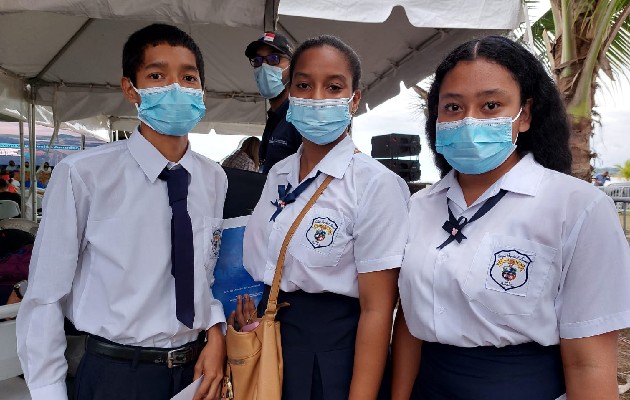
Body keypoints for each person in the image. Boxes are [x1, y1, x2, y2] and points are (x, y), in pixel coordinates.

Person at [391, 35, 630, 400]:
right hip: (430, 387)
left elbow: (590, 364)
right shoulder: (420, 206)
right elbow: (410, 323)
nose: (470, 121)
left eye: (490, 105)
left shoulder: (578, 207)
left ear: (526, 115)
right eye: (453, 108)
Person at [17, 23, 227, 400]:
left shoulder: (213, 179)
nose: (176, 88)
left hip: (195, 371)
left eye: (189, 77)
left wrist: (215, 332)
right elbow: (46, 293)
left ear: (202, 91)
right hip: (117, 374)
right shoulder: (83, 175)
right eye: (157, 75)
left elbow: (202, 277)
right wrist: (48, 390)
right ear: (131, 88)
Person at [242, 35, 410, 400]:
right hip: (272, 339)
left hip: (335, 355)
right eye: (304, 85)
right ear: (290, 93)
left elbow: (379, 309)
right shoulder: (280, 173)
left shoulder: (375, 184)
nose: (317, 97)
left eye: (333, 87)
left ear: (354, 99)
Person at [245, 32, 302, 173]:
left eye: (273, 58)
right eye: (257, 60)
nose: (264, 67)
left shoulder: (300, 118)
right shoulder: (274, 117)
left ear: (293, 67)